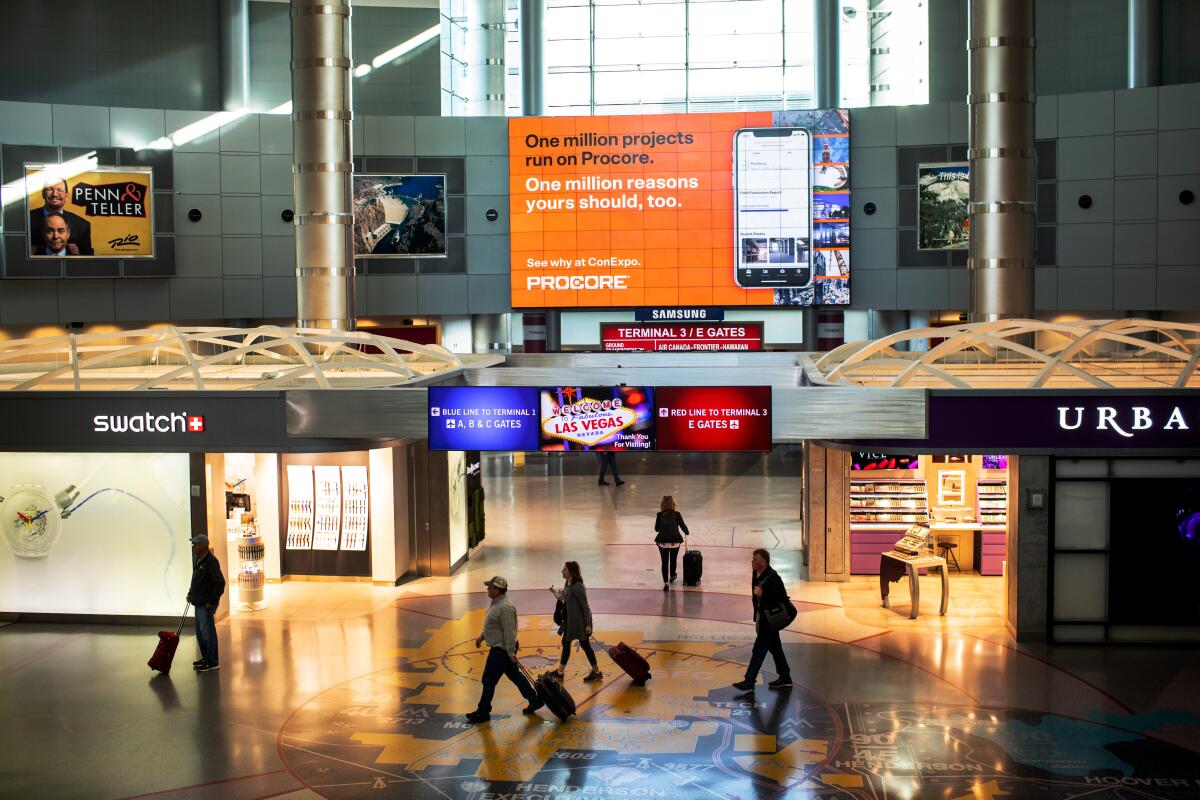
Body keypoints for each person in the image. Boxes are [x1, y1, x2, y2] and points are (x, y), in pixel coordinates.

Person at [467, 576, 543, 723]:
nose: (487, 589)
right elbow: (493, 626)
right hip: (502, 649)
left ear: (497, 590)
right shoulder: (496, 604)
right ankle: (535, 700)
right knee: (516, 677)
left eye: (490, 587)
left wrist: (510, 652)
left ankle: (483, 712)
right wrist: (481, 637)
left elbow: (509, 632)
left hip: (501, 650)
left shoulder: (505, 607)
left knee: (488, 680)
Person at [732, 548, 792, 691]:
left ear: (763, 562)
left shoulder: (773, 578)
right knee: (776, 648)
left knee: (758, 650)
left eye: (755, 561)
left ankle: (750, 680)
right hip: (764, 619)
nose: (752, 563)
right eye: (752, 560)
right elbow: (756, 599)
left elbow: (782, 597)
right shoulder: (756, 573)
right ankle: (785, 676)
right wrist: (756, 616)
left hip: (769, 622)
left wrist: (764, 594)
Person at [550, 561, 602, 682]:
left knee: (585, 645)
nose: (562, 571)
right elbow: (567, 599)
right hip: (570, 621)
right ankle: (560, 672)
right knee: (566, 643)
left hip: (579, 623)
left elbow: (585, 607)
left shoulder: (578, 586)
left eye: (565, 570)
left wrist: (588, 624)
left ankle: (596, 671)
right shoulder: (567, 584)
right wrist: (559, 596)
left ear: (571, 572)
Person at [187, 533, 226, 673]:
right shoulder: (199, 560)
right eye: (193, 544)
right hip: (198, 602)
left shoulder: (211, 562)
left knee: (207, 633)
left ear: (203, 546)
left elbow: (220, 582)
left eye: (196, 544)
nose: (194, 546)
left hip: (206, 604)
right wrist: (191, 592)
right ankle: (206, 658)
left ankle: (213, 662)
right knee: (200, 632)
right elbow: (196, 580)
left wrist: (212, 601)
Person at [28, 179, 93, 255]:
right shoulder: (26, 220)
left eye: (60, 190)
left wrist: (79, 255)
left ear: (66, 196)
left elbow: (89, 257)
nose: (55, 194)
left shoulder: (82, 225)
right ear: (43, 194)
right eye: (49, 189)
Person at [654, 495, 689, 591]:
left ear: (662, 504)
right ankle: (672, 575)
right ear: (673, 504)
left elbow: (656, 529)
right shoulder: (677, 514)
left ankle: (665, 583)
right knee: (673, 559)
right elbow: (683, 527)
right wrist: (687, 532)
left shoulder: (659, 515)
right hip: (675, 541)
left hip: (662, 542)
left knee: (664, 562)